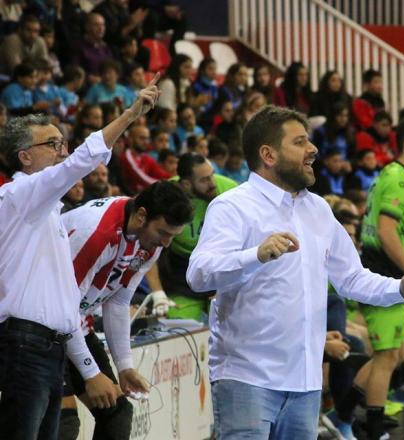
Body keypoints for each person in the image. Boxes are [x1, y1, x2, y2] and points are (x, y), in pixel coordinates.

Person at [186, 106, 404, 440]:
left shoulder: (318, 209)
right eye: (300, 142)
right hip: (247, 377)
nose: (312, 149)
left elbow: (352, 278)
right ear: (268, 155)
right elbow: (199, 274)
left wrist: (399, 288)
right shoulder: (233, 207)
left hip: (305, 382)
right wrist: (254, 255)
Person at [0, 74, 160, 440]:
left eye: (63, 142)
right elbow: (81, 161)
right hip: (25, 345)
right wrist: (131, 114)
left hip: (47, 346)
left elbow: (65, 300)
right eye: (53, 143)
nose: (63, 151)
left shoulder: (46, 213)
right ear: (24, 157)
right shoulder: (20, 196)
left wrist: (89, 369)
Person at [326, 117, 404, 440]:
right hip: (384, 273)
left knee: (395, 352)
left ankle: (342, 415)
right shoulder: (400, 180)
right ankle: (370, 430)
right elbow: (387, 234)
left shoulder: (388, 173)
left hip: (379, 269)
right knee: (387, 356)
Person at [57, 181, 193, 440]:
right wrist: (90, 373)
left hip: (74, 323)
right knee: (63, 424)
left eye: (172, 236)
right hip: (39, 326)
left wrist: (125, 366)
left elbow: (118, 302)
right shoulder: (98, 232)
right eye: (163, 232)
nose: (165, 243)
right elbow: (63, 310)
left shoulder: (148, 241)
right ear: (142, 215)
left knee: (117, 412)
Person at [152, 153, 237, 322]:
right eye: (204, 180)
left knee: (235, 326)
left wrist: (227, 285)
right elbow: (147, 246)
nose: (213, 183)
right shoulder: (165, 196)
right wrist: (157, 292)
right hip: (182, 272)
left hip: (224, 265)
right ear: (186, 184)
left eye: (212, 175)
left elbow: (250, 240)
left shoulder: (230, 190)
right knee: (178, 328)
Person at [120, 124, 172, 194]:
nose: (146, 142)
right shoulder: (126, 156)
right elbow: (142, 179)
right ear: (130, 139)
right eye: (142, 138)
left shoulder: (146, 157)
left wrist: (173, 178)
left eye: (147, 138)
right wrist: (165, 184)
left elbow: (161, 174)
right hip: (130, 197)